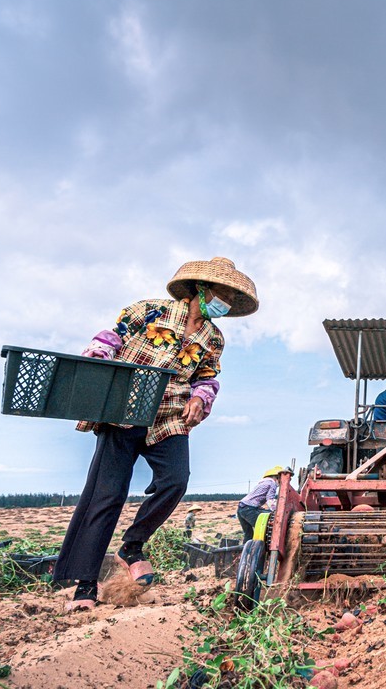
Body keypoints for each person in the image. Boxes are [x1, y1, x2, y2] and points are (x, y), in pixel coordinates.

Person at [54, 257, 258, 612]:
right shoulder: (149, 311)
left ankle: (132, 545)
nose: (224, 303)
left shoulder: (213, 338)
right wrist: (98, 359)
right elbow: (109, 338)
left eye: (230, 298)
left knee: (176, 480)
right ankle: (84, 586)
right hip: (125, 410)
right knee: (106, 494)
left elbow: (207, 377)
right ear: (201, 289)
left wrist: (200, 397)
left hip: (168, 416)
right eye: (221, 294)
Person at [237, 466, 286, 541]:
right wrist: (277, 511)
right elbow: (270, 500)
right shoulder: (272, 483)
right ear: (277, 477)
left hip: (241, 508)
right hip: (249, 509)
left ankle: (246, 551)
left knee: (248, 534)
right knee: (266, 530)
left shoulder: (263, 482)